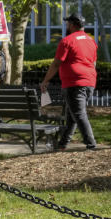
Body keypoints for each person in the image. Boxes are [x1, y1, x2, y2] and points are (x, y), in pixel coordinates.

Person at [40, 14, 97, 150]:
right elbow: (94, 63)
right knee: (73, 115)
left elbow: (56, 64)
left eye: (67, 24)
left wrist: (45, 81)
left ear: (72, 25)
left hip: (74, 83)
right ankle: (63, 144)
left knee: (78, 114)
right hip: (89, 82)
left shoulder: (67, 41)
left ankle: (91, 144)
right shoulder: (91, 41)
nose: (66, 26)